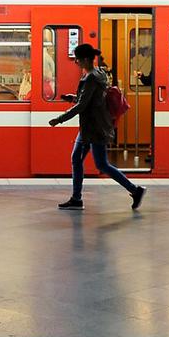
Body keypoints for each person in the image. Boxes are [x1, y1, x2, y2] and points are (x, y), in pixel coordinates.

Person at [49, 43, 145, 211]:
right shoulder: (98, 73)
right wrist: (73, 97)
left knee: (101, 164)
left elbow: (82, 106)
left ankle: (135, 190)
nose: (76, 62)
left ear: (85, 59)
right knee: (76, 158)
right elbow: (91, 100)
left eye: (77, 59)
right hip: (90, 127)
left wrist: (59, 119)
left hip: (95, 128)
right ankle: (76, 198)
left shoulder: (92, 77)